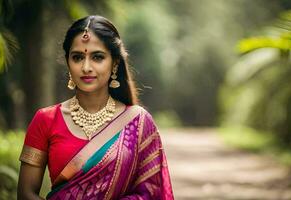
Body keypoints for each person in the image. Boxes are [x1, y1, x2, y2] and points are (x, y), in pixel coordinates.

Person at [17, 15, 174, 200]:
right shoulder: (45, 119)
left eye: (97, 57)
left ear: (114, 62)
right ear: (68, 62)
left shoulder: (139, 122)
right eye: (77, 57)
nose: (86, 67)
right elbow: (26, 193)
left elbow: (152, 194)